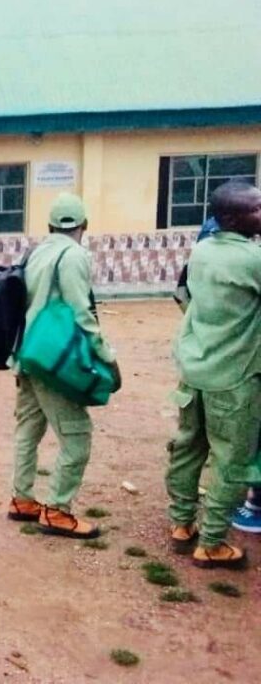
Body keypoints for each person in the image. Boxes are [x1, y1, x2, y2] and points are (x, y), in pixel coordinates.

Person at [9, 193, 119, 539]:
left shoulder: (38, 251)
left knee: (28, 429)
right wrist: (107, 356)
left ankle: (22, 499)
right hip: (51, 360)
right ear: (84, 226)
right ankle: (57, 509)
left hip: (26, 352)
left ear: (50, 225)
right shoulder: (75, 256)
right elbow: (81, 313)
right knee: (77, 437)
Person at [164, 181, 261, 569]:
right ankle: (214, 541)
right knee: (231, 460)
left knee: (188, 448)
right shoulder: (252, 260)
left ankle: (182, 524)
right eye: (257, 208)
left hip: (194, 369)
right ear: (234, 217)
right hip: (235, 378)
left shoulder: (202, 250)